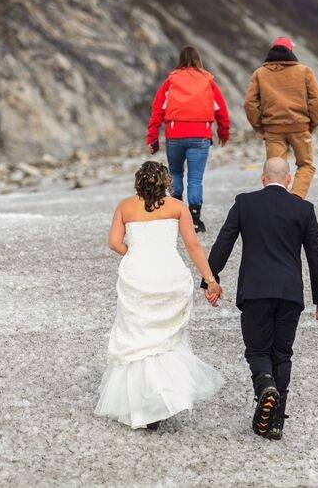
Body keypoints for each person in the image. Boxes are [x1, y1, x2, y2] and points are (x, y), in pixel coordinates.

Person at [201, 158, 318, 441]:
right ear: (288, 180)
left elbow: (224, 241)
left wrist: (210, 280)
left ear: (262, 179)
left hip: (255, 289)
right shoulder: (304, 209)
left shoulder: (245, 203)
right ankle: (274, 423)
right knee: (282, 354)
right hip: (289, 292)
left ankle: (264, 385)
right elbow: (316, 256)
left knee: (257, 351)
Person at [95, 161, 225, 430]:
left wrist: (135, 253)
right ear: (166, 182)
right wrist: (210, 280)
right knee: (167, 337)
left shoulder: (125, 207)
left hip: (137, 275)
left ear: (138, 182)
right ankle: (165, 395)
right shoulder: (177, 207)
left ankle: (141, 404)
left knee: (137, 336)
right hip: (170, 274)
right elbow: (192, 245)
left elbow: (113, 242)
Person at [147, 46, 231, 233]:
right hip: (200, 136)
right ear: (198, 60)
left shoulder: (171, 81)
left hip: (175, 136)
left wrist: (152, 138)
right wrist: (223, 133)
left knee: (176, 174)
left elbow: (157, 110)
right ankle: (194, 219)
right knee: (195, 180)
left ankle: (177, 217)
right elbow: (221, 110)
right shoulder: (208, 81)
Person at [244, 37, 318, 199]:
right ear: (291, 51)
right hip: (300, 128)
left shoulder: (260, 73)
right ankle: (296, 198)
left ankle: (278, 202)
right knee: (305, 165)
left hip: (273, 130)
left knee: (275, 170)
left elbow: (250, 104)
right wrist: (312, 124)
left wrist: (259, 126)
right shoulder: (304, 71)